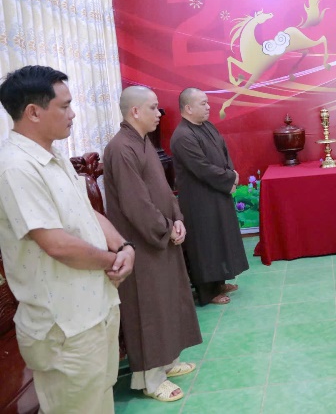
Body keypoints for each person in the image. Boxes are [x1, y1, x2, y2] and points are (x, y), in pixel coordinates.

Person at [0, 65, 134, 413]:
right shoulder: (16, 167)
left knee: (99, 400)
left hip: (95, 309)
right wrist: (112, 262)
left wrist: (123, 246)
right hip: (64, 326)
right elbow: (56, 244)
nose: (73, 114)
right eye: (65, 105)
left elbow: (85, 212)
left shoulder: (53, 156)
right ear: (33, 112)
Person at [103, 86, 202, 401]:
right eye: (153, 108)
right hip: (141, 243)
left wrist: (177, 218)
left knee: (167, 301)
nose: (159, 114)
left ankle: (167, 362)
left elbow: (162, 188)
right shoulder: (121, 148)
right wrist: (164, 228)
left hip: (162, 236)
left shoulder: (142, 141)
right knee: (149, 308)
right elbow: (136, 204)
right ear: (135, 111)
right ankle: (150, 379)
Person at [170, 87, 248, 305]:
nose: (208, 107)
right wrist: (229, 178)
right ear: (188, 108)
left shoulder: (207, 126)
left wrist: (230, 174)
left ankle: (219, 282)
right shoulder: (183, 136)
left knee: (220, 238)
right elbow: (201, 168)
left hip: (216, 192)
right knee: (206, 244)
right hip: (199, 200)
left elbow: (223, 153)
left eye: (207, 102)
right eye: (203, 103)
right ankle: (207, 292)